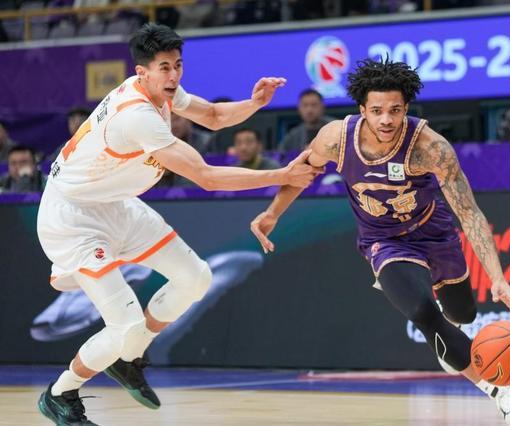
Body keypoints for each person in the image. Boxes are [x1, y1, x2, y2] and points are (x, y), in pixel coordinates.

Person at [36, 23, 321, 426]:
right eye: (165, 68)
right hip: (73, 218)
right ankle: (60, 393)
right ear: (142, 73)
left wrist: (255, 103)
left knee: (195, 277)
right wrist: (281, 175)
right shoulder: (136, 116)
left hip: (115, 204)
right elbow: (206, 177)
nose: (173, 76)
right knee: (125, 325)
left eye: (178, 65)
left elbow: (213, 116)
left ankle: (128, 358)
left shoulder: (159, 91)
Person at [251, 58, 510, 426]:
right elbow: (301, 172)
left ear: (407, 108)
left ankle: (451, 332)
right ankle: (503, 394)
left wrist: (497, 277)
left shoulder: (430, 147)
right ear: (362, 109)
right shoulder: (336, 138)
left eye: (395, 110)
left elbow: (470, 213)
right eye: (377, 111)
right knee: (423, 313)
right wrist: (272, 213)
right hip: (383, 240)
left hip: (433, 232)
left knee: (463, 314)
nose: (386, 119)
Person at [277, 89, 335, 153]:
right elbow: (280, 155)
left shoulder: (336, 128)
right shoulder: (293, 136)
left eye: (314, 105)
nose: (309, 110)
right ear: (299, 108)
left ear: (322, 107)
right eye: (305, 105)